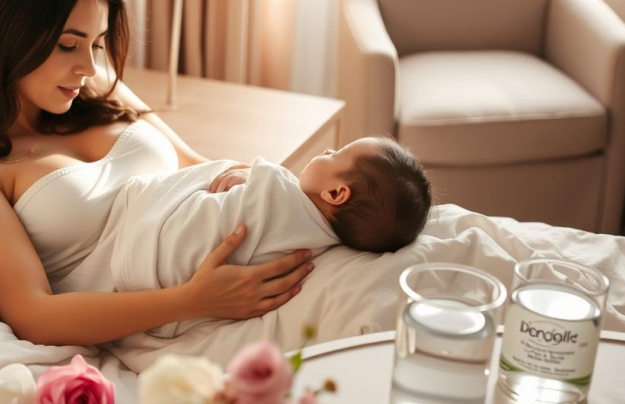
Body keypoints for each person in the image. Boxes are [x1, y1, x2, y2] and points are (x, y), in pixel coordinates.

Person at [0, 0, 314, 347]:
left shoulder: (95, 87)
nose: (89, 65)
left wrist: (239, 175)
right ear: (8, 35)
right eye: (68, 45)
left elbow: (193, 161)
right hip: (195, 312)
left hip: (250, 249)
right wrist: (194, 300)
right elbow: (33, 315)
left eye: (97, 43)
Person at [59, 136, 432, 338]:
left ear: (337, 194)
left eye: (338, 154)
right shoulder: (315, 245)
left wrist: (247, 179)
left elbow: (256, 187)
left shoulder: (275, 186)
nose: (327, 149)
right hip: (155, 286)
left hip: (146, 239)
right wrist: (241, 180)